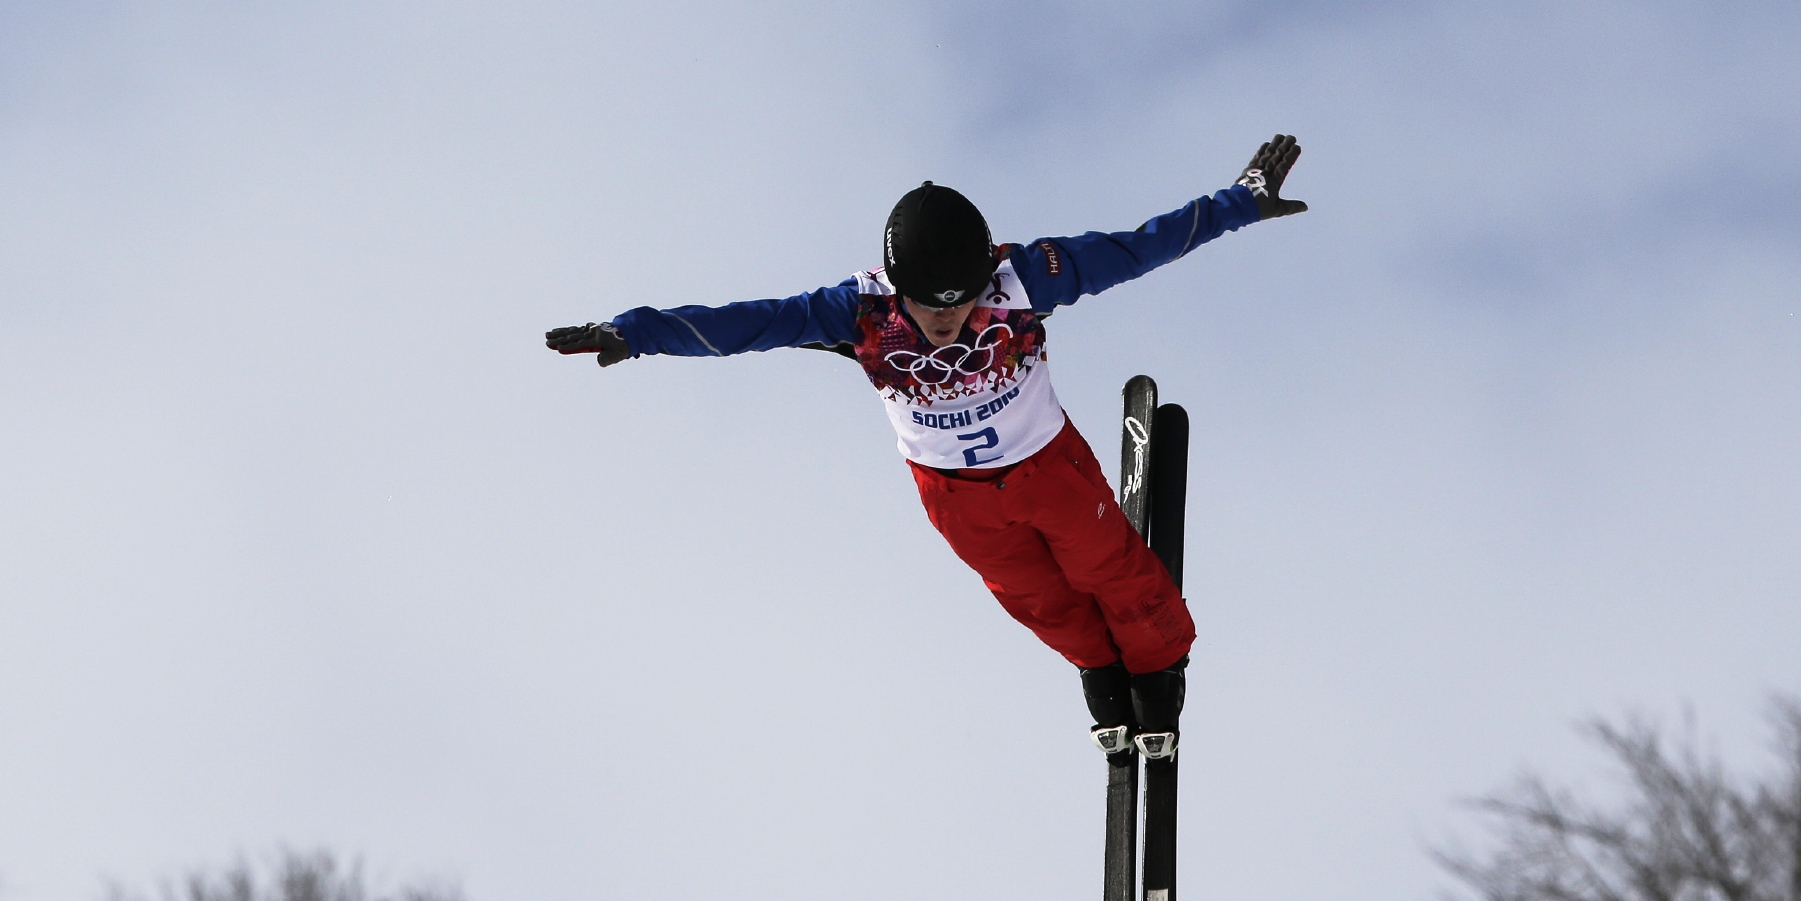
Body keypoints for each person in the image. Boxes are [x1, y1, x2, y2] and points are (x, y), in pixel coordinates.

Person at [547, 135, 1307, 761]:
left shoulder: (1025, 277)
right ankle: (1100, 668)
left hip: (1046, 464)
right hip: (954, 494)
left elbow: (1138, 247)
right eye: (930, 308)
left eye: (963, 302)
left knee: (1106, 565)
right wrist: (632, 333)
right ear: (898, 287)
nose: (949, 322)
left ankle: (1157, 663)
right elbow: (745, 323)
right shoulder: (858, 311)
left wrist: (1239, 202)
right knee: (1032, 594)